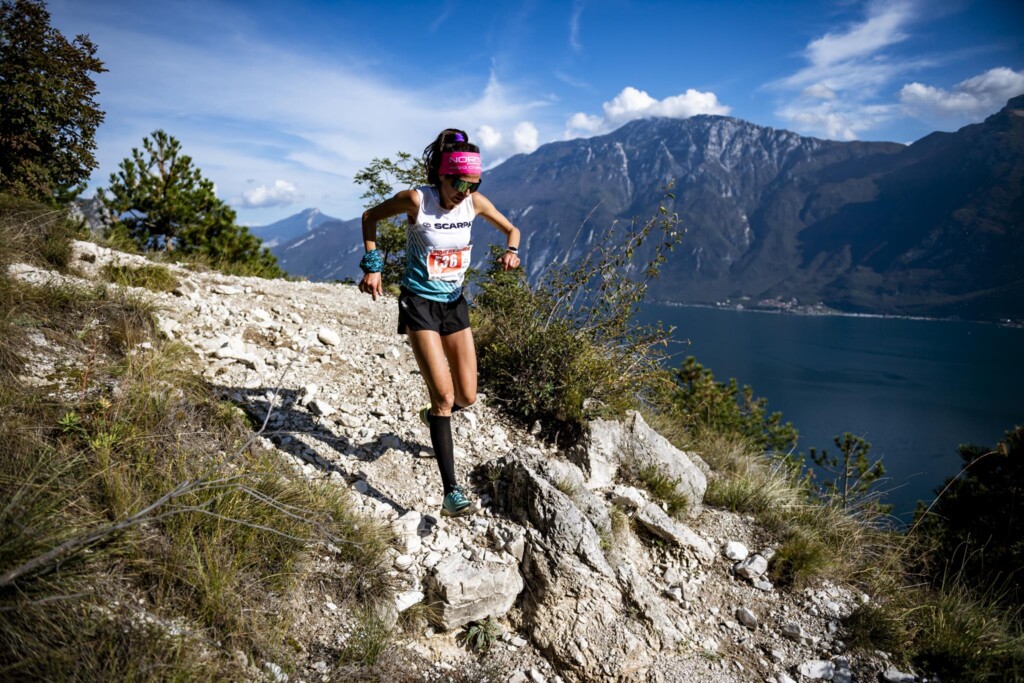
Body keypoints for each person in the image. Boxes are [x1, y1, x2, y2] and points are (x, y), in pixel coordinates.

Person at [357, 128, 521, 517]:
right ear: (440, 177)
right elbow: (369, 218)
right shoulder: (417, 200)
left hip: (454, 305)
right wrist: (374, 265)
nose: (464, 192)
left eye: (472, 183)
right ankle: (451, 493)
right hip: (419, 304)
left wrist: (511, 251)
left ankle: (434, 417)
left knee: (467, 396)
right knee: (445, 397)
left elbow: (512, 229)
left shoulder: (475, 204)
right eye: (458, 183)